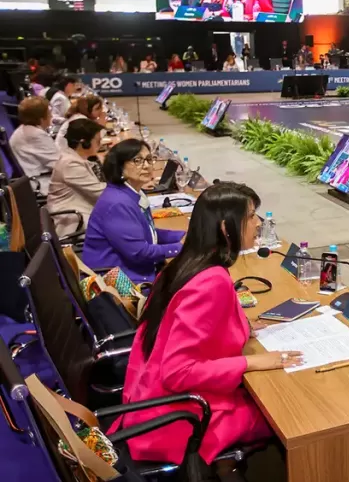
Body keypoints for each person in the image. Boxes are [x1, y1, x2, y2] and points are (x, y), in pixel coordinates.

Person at [109, 182, 303, 474]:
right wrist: (252, 362)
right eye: (251, 216)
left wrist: (239, 324)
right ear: (226, 228)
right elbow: (178, 372)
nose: (258, 223)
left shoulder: (184, 264)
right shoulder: (211, 281)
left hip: (151, 401)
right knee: (287, 413)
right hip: (179, 417)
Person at [82, 139, 185, 283]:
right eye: (138, 161)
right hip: (118, 283)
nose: (147, 166)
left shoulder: (131, 192)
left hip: (128, 270)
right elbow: (140, 253)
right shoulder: (118, 203)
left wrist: (183, 236)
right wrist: (182, 247)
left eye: (149, 159)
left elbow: (147, 232)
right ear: (119, 167)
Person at [48, 119, 106, 237]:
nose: (100, 144)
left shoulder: (73, 158)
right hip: (74, 222)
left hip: (82, 211)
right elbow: (100, 193)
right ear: (83, 142)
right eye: (97, 141)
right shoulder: (71, 164)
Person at [9, 97, 60, 191]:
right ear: (41, 119)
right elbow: (58, 165)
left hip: (30, 181)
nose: (51, 116)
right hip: (42, 183)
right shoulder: (36, 135)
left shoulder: (22, 130)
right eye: (49, 113)